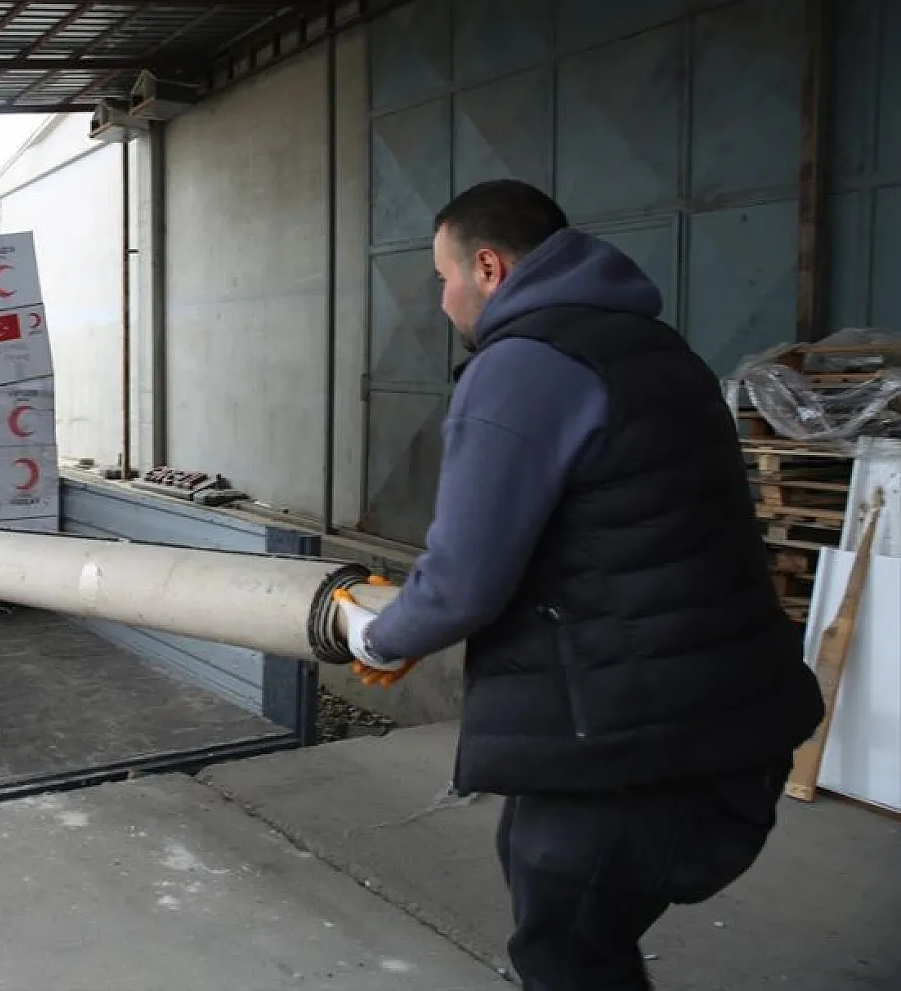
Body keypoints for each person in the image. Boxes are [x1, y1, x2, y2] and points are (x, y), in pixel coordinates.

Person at [334, 180, 824, 991]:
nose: (444, 297)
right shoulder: (661, 351)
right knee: (556, 898)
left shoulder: (523, 365)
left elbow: (463, 579)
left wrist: (378, 633)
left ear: (487, 267)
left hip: (633, 729)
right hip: (721, 703)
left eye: (443, 277)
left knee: (568, 953)